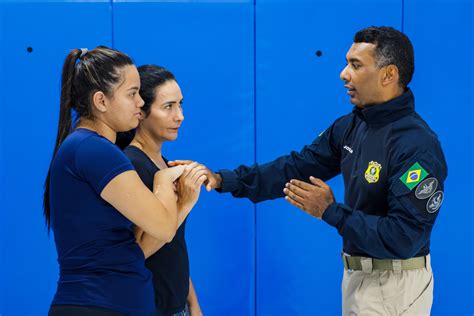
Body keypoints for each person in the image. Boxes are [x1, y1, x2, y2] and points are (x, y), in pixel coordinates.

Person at [170, 26, 448, 315]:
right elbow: (295, 168)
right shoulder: (352, 126)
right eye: (347, 63)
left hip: (395, 285)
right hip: (358, 277)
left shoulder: (417, 145)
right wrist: (222, 179)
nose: (344, 74)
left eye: (356, 65)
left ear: (389, 74)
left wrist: (330, 210)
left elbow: (403, 238)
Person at [43, 47, 204, 316]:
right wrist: (164, 181)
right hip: (98, 304)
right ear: (101, 101)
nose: (140, 103)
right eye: (132, 94)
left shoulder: (88, 148)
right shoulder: (95, 150)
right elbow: (163, 228)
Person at [118, 65, 204, 316]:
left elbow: (174, 244)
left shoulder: (164, 165)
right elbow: (140, 249)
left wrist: (193, 303)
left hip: (178, 307)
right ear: (141, 112)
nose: (180, 116)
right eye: (168, 107)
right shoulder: (132, 165)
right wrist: (184, 203)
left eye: (181, 104)